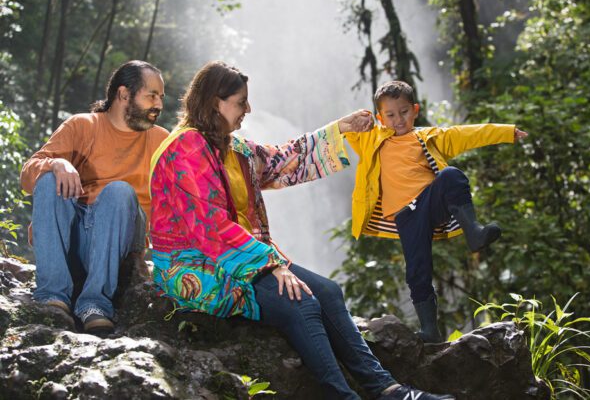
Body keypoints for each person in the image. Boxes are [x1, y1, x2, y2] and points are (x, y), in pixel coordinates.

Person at [149, 61, 454, 400]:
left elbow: (281, 161)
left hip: (239, 257)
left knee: (328, 292)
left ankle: (386, 388)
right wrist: (272, 264)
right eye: (240, 102)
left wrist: (342, 129)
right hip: (195, 266)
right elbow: (210, 227)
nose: (248, 109)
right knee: (302, 303)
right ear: (213, 103)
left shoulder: (229, 145)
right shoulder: (186, 148)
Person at [344, 80, 528, 343]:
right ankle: (430, 329)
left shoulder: (428, 137)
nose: (398, 120)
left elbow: (468, 134)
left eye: (404, 112)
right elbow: (346, 131)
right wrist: (358, 120)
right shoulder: (372, 141)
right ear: (380, 118)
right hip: (404, 216)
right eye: (391, 115)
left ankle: (474, 232)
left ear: (415, 110)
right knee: (417, 270)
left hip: (429, 202)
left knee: (452, 175)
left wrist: (507, 132)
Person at [20, 60, 169, 335]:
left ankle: (95, 304)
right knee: (50, 176)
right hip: (72, 242)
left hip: (120, 243)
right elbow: (28, 175)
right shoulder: (82, 126)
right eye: (152, 95)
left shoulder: (162, 141)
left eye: (161, 96)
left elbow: (180, 206)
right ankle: (52, 296)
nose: (159, 104)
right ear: (123, 94)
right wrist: (56, 164)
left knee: (118, 191)